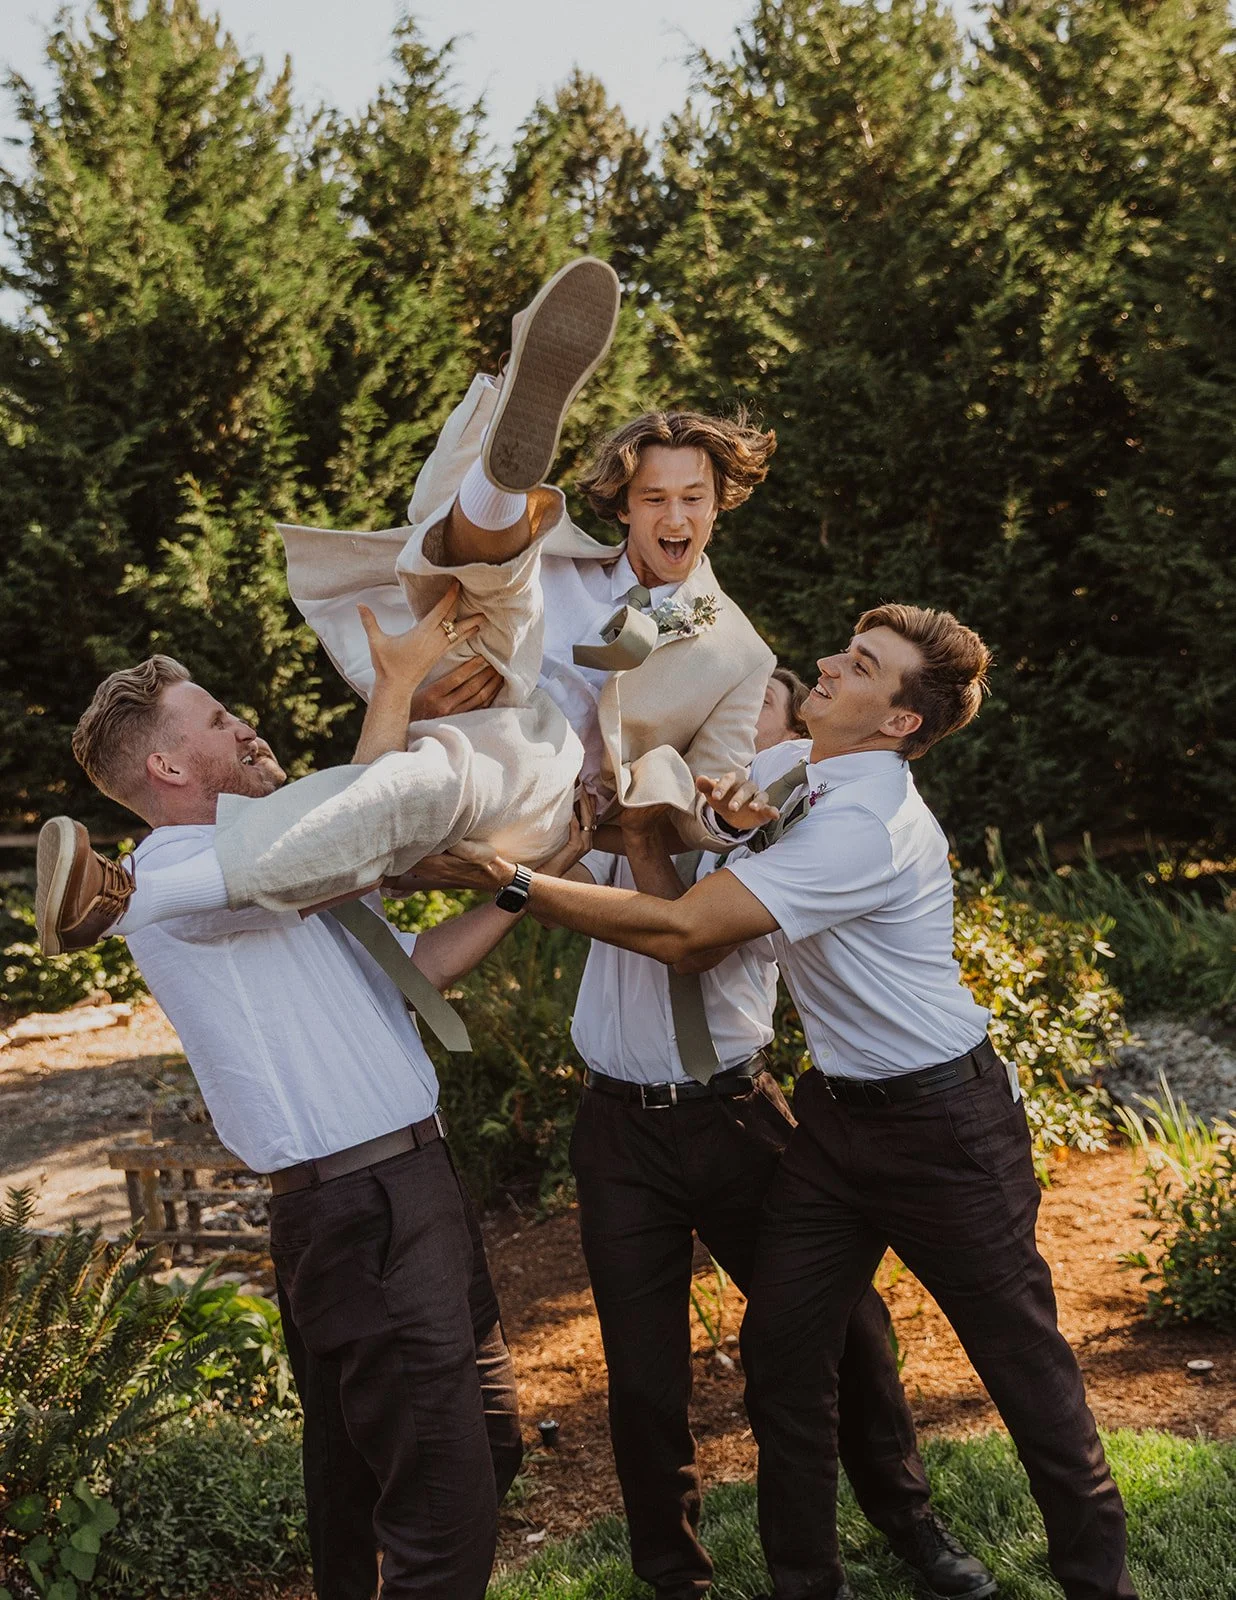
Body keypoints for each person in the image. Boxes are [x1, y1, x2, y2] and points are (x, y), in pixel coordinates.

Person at [443, 604, 1137, 1600]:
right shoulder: (795, 772)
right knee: (781, 1355)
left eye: (859, 664)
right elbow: (687, 802)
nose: (827, 664)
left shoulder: (866, 824)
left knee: (1025, 1370)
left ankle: (1098, 1583)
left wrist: (509, 880)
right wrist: (694, 803)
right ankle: (808, 1584)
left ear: (899, 721)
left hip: (946, 1126)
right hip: (836, 1123)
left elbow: (688, 932)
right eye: (846, 649)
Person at [62, 598, 590, 1600]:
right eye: (217, 719)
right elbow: (351, 828)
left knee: (451, 1459)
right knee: (443, 1506)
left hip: (415, 1185)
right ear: (166, 767)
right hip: (359, 1208)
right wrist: (395, 683)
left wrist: (525, 884)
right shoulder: (172, 875)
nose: (245, 725)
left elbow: (415, 968)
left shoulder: (275, 862)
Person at [37, 254, 776, 952]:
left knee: (422, 780)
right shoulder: (564, 558)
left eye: (692, 499)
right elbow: (435, 525)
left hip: (548, 774)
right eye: (654, 498)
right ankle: (504, 458)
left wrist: (724, 816)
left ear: (721, 503)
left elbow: (704, 803)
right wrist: (414, 700)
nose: (674, 517)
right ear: (624, 505)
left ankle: (132, 898)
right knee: (488, 561)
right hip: (474, 675)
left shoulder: (741, 655)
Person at [538, 660, 994, 1600]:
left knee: (848, 1329)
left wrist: (643, 837)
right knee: (642, 1372)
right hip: (616, 1128)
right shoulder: (632, 810)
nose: (729, 734)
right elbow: (550, 870)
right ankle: (675, 1577)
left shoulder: (775, 843)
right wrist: (576, 828)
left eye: (755, 718)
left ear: (786, 745)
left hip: (734, 1115)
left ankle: (910, 1522)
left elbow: (686, 942)